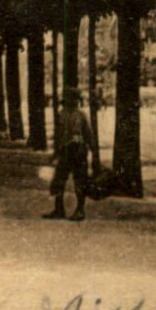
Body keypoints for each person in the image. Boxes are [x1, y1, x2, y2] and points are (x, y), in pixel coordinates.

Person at [45, 88, 91, 221]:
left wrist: (92, 152)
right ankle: (60, 209)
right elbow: (58, 136)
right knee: (59, 181)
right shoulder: (64, 115)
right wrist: (55, 152)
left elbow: (88, 135)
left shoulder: (79, 115)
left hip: (77, 150)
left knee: (78, 181)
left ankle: (79, 210)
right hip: (68, 150)